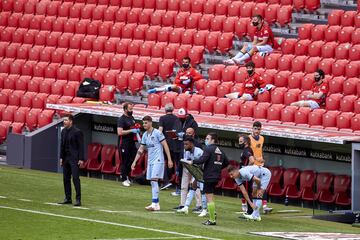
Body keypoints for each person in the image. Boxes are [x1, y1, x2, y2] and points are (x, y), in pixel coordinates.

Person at [185, 132, 229, 225]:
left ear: (213, 140)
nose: (206, 140)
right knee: (211, 196)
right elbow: (226, 163)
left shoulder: (208, 148)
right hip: (216, 176)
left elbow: (202, 160)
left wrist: (192, 162)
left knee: (209, 198)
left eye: (207, 138)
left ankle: (212, 219)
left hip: (209, 176)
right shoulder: (221, 150)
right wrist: (217, 167)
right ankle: (212, 215)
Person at [131, 116, 173, 211]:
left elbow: (165, 145)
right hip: (150, 161)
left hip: (158, 160)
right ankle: (156, 203)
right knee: (152, 182)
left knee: (154, 181)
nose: (144, 125)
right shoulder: (145, 135)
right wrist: (134, 161)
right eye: (143, 123)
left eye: (146, 123)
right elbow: (141, 149)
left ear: (150, 123)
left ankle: (155, 204)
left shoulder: (158, 133)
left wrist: (169, 159)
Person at [59, 114, 84, 206]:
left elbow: (81, 146)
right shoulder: (63, 131)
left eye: (66, 120)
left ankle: (78, 200)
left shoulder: (77, 132)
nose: (64, 122)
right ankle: (67, 198)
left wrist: (81, 159)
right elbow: (62, 145)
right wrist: (61, 157)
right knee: (66, 178)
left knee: (75, 178)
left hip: (74, 158)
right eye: (64, 120)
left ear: (71, 121)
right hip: (66, 158)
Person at [176, 136, 206, 216]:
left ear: (191, 144)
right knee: (192, 187)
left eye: (186, 144)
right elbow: (188, 162)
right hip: (196, 172)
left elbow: (203, 163)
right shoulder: (187, 151)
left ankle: (204, 209)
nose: (184, 146)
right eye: (184, 144)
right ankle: (186, 207)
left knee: (203, 191)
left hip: (204, 173)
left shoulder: (199, 152)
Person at [158, 103, 183, 195]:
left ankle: (165, 180)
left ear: (165, 110)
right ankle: (168, 181)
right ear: (172, 110)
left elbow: (160, 131)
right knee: (172, 162)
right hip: (175, 144)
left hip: (166, 143)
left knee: (165, 162)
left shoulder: (162, 118)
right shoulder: (176, 118)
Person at [117, 102, 140, 187]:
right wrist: (131, 131)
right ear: (125, 109)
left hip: (132, 143)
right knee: (124, 161)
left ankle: (126, 175)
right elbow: (119, 132)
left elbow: (133, 128)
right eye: (130, 109)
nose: (131, 111)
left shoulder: (132, 118)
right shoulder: (121, 119)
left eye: (132, 109)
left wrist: (136, 128)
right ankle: (124, 178)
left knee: (133, 159)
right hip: (124, 143)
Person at [238, 134, 255, 214]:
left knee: (248, 192)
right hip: (245, 175)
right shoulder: (245, 150)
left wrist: (246, 169)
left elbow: (252, 160)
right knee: (246, 192)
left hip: (246, 175)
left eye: (241, 141)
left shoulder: (247, 150)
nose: (239, 143)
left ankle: (250, 212)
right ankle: (249, 211)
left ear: (246, 142)